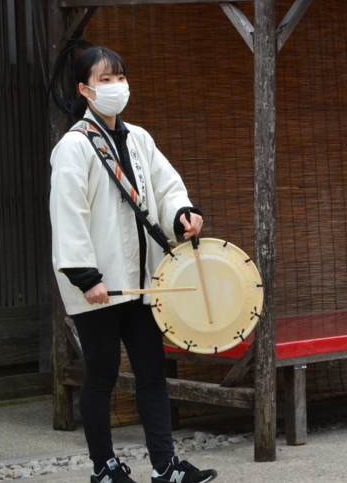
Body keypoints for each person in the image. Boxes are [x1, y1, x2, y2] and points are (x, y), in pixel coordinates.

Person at [48, 41, 216, 483]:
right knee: (102, 375)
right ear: (85, 90)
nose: (117, 86)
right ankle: (103, 466)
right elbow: (68, 213)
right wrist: (86, 277)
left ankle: (166, 465)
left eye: (120, 77)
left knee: (151, 373)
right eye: (106, 79)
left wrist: (182, 214)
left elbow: (166, 187)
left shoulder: (139, 138)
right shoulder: (74, 147)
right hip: (100, 284)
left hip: (145, 281)